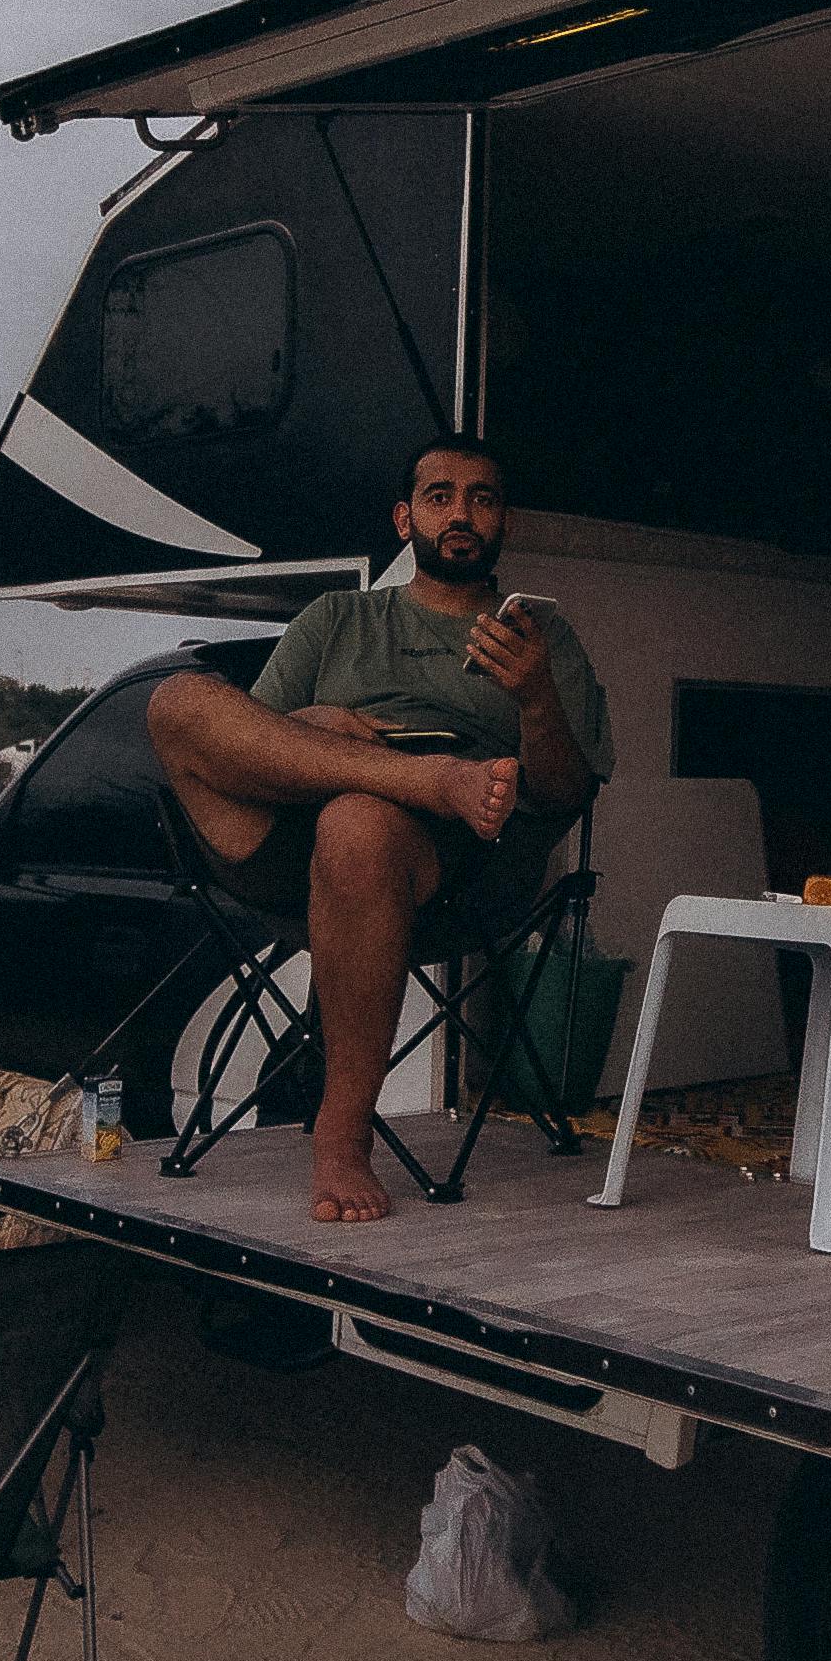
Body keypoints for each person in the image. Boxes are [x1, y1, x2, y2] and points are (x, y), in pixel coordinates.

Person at [146, 437, 608, 1225]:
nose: (461, 512)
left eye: (482, 498)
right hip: (295, 834)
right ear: (406, 518)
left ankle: (340, 1131)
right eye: (439, 496)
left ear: (504, 523)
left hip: (443, 863)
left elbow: (566, 790)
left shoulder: (541, 639)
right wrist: (315, 724)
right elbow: (247, 738)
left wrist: (533, 698)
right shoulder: (338, 618)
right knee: (176, 702)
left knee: (358, 823)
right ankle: (422, 778)